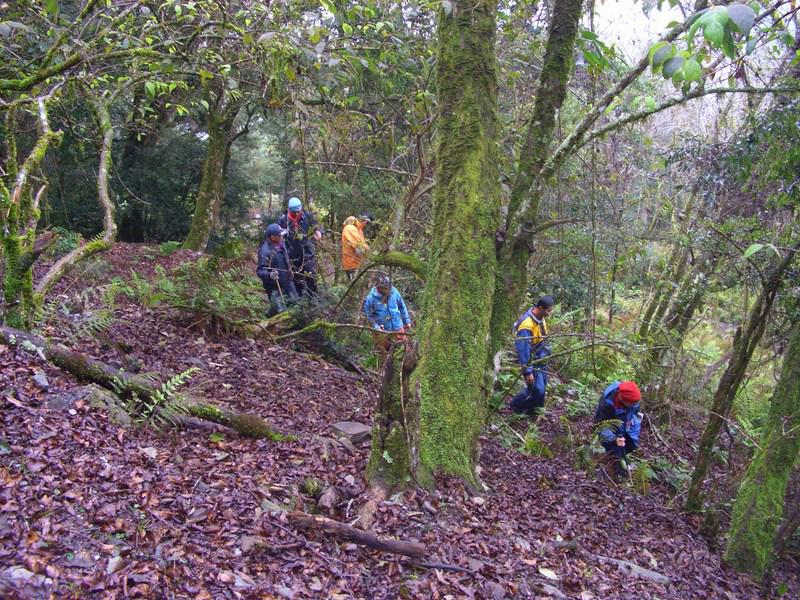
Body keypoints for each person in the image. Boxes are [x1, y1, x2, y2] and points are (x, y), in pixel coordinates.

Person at [510, 295, 555, 413]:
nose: (550, 313)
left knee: (542, 387)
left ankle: (536, 410)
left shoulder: (540, 317)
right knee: (536, 389)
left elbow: (543, 338)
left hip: (541, 359)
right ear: (540, 308)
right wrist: (528, 372)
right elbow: (523, 351)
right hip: (532, 360)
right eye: (548, 310)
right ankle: (516, 405)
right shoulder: (526, 326)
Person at [594, 380, 643, 476]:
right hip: (610, 425)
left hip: (625, 423)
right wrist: (613, 439)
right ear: (622, 399)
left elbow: (636, 415)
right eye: (631, 403)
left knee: (631, 444)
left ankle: (623, 461)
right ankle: (614, 466)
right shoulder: (607, 403)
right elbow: (600, 425)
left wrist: (631, 435)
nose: (634, 405)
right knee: (613, 446)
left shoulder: (634, 400)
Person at [277, 196, 322, 297]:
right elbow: (278, 235)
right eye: (295, 212)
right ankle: (300, 298)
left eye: (299, 211)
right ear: (289, 210)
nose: (297, 213)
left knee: (311, 275)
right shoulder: (283, 220)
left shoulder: (307, 216)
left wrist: (318, 231)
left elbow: (317, 226)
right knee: (297, 277)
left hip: (307, 251)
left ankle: (313, 297)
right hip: (293, 254)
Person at [363, 274, 412, 356]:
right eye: (385, 288)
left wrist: (406, 321)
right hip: (382, 332)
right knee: (385, 354)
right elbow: (369, 317)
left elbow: (402, 306)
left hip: (398, 327)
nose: (387, 290)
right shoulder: (370, 299)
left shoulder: (394, 292)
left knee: (404, 351)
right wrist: (377, 327)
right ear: (379, 287)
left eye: (388, 287)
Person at [257, 223, 298, 315]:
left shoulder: (281, 244)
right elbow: (260, 271)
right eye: (279, 235)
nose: (282, 237)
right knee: (280, 312)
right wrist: (270, 275)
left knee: (296, 303)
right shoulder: (264, 251)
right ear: (273, 237)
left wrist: (290, 269)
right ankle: (270, 314)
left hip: (287, 281)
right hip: (274, 287)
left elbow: (286, 258)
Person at [341, 212, 372, 280]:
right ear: (365, 221)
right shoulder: (350, 229)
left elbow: (362, 245)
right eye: (366, 223)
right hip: (351, 265)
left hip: (358, 264)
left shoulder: (359, 230)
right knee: (354, 284)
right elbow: (359, 249)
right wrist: (370, 251)